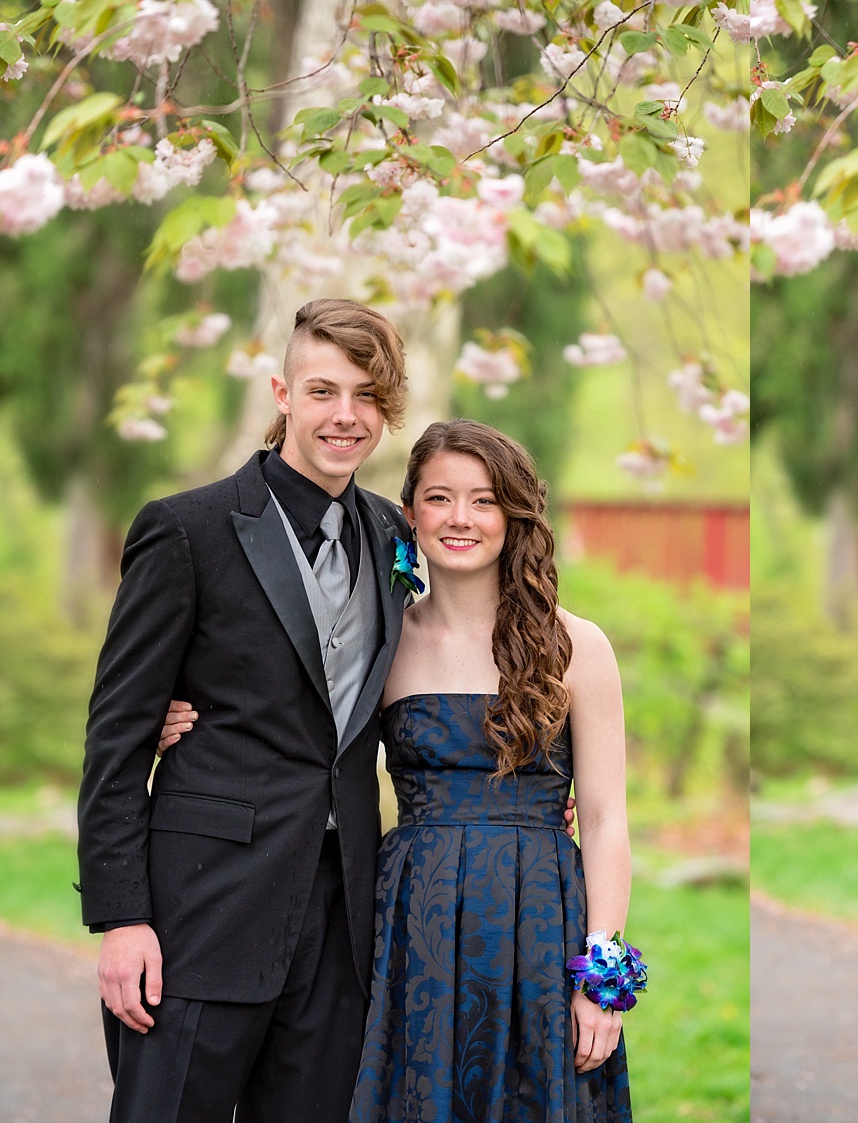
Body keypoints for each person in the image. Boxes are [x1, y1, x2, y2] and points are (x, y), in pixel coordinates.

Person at [77, 298, 413, 1123]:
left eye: (368, 395)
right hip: (201, 912)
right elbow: (116, 739)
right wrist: (122, 918)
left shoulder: (394, 534)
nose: (346, 415)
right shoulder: (186, 530)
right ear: (282, 392)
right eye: (324, 390)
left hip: (339, 923)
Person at [346, 419, 633, 1120]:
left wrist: (602, 979)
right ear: (410, 512)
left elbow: (603, 818)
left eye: (482, 499)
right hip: (413, 919)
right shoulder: (381, 644)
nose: (460, 518)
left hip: (539, 918)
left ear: (514, 513)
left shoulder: (578, 646)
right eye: (439, 498)